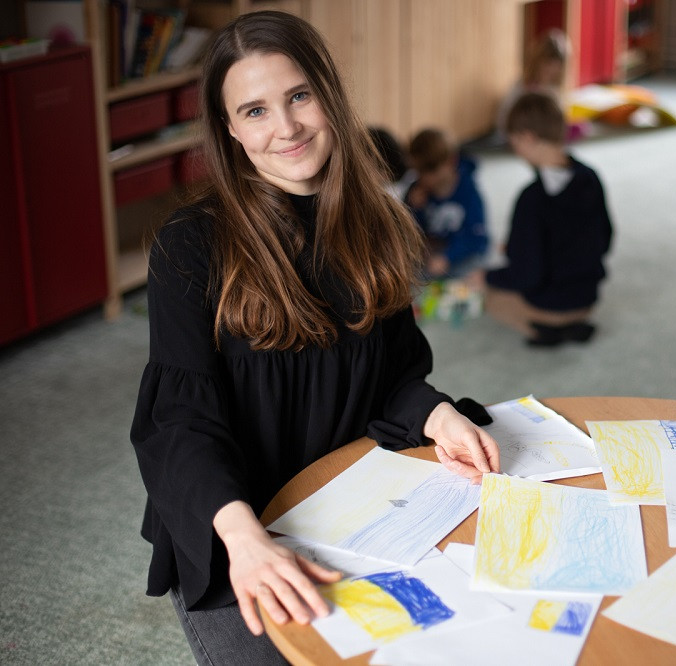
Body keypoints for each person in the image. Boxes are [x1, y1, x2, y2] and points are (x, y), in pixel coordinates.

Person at [129, 11, 500, 664]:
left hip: (349, 505)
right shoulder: (189, 247)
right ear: (230, 131)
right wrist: (245, 541)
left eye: (299, 96)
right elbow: (181, 424)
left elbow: (392, 377)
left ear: (329, 93)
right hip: (233, 525)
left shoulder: (381, 222)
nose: (287, 128)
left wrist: (438, 416)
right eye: (255, 111)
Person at [485, 91, 613, 347]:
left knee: (492, 300)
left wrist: (488, 276)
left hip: (554, 304)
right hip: (589, 298)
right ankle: (573, 325)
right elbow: (606, 237)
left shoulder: (531, 199)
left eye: (515, 143)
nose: (516, 151)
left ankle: (547, 330)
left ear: (528, 138)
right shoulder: (590, 177)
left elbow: (527, 275)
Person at [405, 128, 490, 279]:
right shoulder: (416, 190)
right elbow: (408, 232)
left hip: (461, 251)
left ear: (451, 161)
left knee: (473, 272)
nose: (424, 177)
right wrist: (413, 208)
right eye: (418, 171)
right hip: (432, 251)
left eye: (430, 170)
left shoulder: (469, 192)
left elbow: (476, 237)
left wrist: (448, 257)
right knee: (405, 270)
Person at [494, 28, 569, 144]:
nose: (550, 71)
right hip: (518, 134)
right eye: (547, 66)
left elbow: (558, 120)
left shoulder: (555, 91)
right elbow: (505, 119)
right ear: (538, 62)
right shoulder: (522, 87)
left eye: (555, 69)